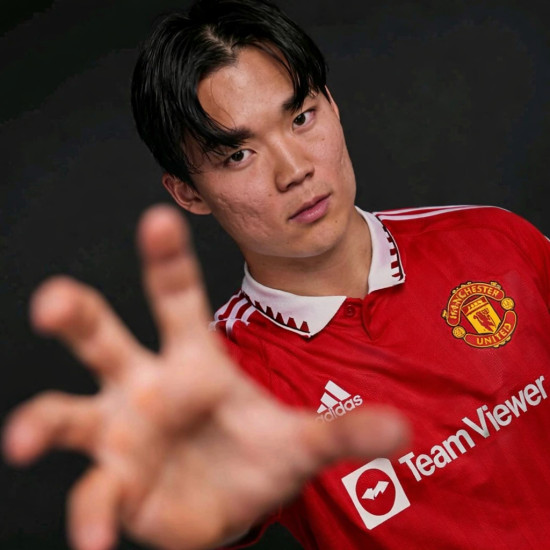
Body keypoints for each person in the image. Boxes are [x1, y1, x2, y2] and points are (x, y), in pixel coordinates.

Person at [3, 0, 550, 549]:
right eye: (238, 155)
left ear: (332, 105)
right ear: (188, 193)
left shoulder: (493, 240)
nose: (294, 170)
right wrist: (196, 491)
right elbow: (217, 489)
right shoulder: (225, 381)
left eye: (301, 118)